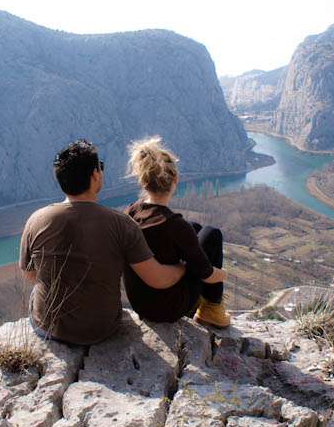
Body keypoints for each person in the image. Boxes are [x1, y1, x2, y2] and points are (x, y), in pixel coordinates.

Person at [19, 139, 185, 345]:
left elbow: (29, 275)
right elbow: (157, 279)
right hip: (103, 329)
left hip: (49, 329)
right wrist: (183, 268)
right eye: (101, 167)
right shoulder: (122, 224)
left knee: (38, 290)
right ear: (95, 174)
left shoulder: (36, 220)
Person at [123, 136, 231, 328]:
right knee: (212, 234)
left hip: (140, 303)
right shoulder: (174, 225)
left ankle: (199, 305)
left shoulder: (132, 212)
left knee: (195, 228)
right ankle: (211, 309)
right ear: (176, 179)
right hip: (167, 308)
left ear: (142, 180)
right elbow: (207, 274)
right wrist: (224, 274)